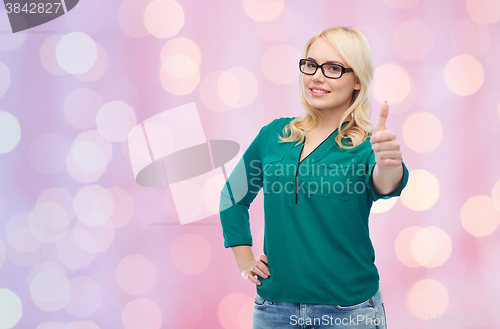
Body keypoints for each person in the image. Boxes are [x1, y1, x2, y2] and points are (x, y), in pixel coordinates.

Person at [219, 26, 409, 329]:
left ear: (357, 80)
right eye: (311, 64)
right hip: (273, 311)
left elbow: (385, 183)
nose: (316, 76)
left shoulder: (366, 145)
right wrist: (244, 260)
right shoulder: (275, 135)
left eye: (333, 68)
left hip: (349, 312)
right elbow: (233, 195)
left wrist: (389, 161)